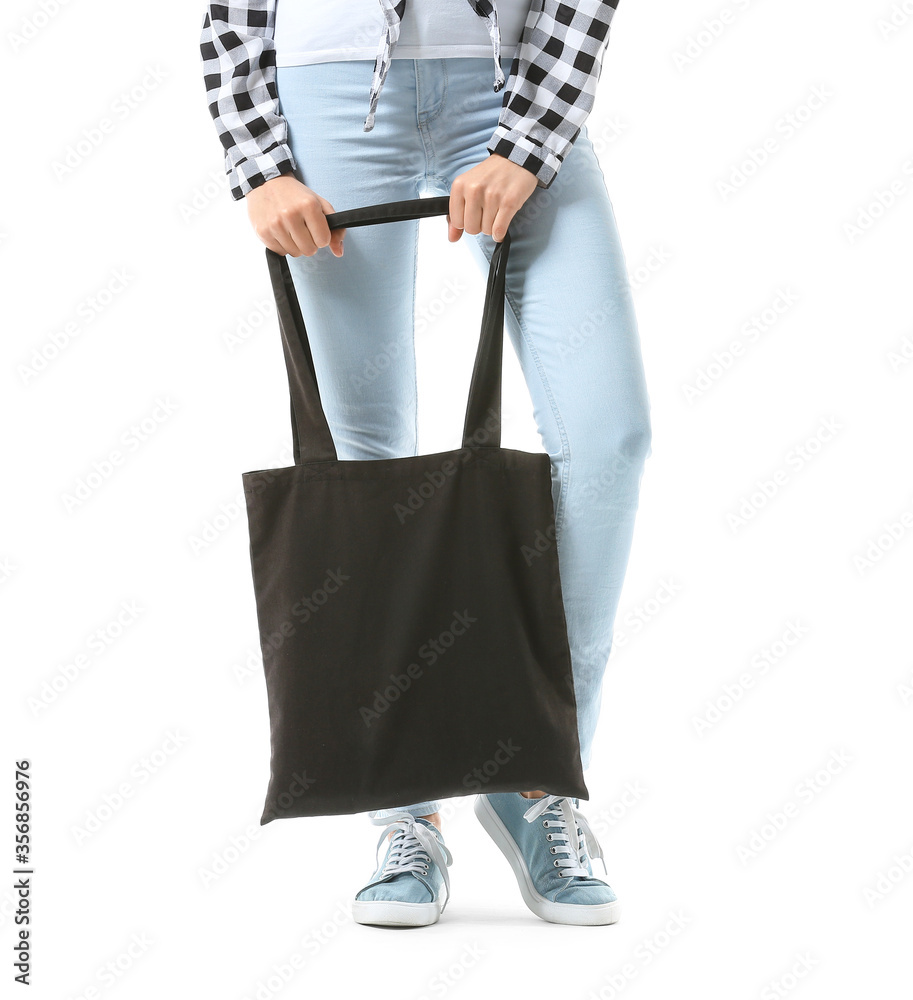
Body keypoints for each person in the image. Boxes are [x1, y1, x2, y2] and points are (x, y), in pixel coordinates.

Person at [199, 0, 652, 929]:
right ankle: (403, 804)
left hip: (508, 79)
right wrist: (256, 157)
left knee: (608, 438)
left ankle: (533, 773)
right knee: (368, 456)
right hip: (326, 78)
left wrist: (527, 140)